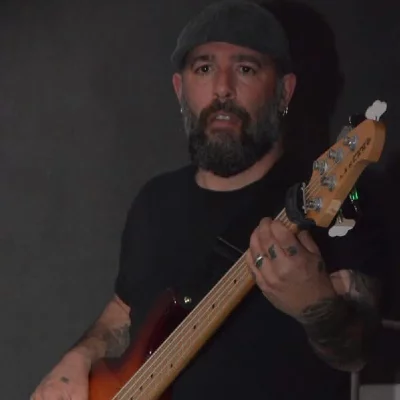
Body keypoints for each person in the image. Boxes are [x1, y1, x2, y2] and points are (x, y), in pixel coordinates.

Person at [31, 1, 389, 399]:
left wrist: (315, 305)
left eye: (245, 68)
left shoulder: (335, 200)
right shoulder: (155, 203)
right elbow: (123, 312)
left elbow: (359, 351)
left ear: (284, 91)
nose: (222, 88)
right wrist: (81, 356)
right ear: (180, 89)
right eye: (204, 68)